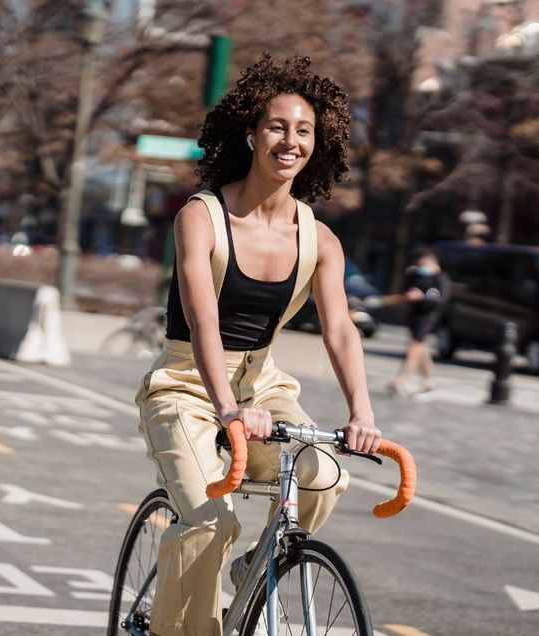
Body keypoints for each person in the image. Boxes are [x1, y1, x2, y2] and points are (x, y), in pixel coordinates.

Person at [135, 53, 381, 636]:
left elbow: (340, 327)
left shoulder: (319, 239)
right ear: (251, 132)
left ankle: (261, 566)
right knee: (209, 522)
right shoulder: (202, 215)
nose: (290, 141)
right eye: (277, 126)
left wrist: (362, 413)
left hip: (262, 386)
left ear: (317, 144)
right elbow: (201, 320)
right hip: (188, 385)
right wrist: (226, 409)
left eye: (304, 130)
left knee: (324, 475)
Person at [387, 247, 446, 400]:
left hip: (428, 315)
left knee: (414, 346)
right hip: (415, 314)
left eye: (424, 264)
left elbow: (438, 299)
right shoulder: (415, 274)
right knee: (421, 348)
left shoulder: (439, 279)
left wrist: (422, 297)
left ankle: (401, 380)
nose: (422, 267)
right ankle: (429, 384)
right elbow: (409, 289)